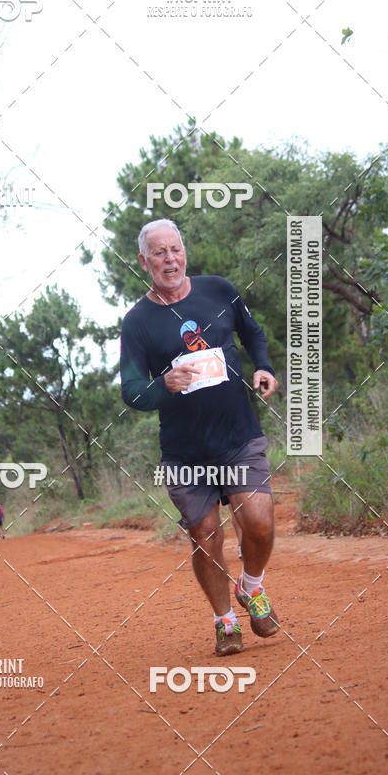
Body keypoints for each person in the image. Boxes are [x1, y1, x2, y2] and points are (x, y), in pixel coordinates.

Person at [120, 219, 280, 656]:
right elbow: (131, 390)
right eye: (159, 253)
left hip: (237, 435)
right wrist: (163, 385)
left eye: (176, 249)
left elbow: (253, 334)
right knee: (205, 534)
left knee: (261, 523)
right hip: (185, 451)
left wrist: (263, 366)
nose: (170, 259)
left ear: (184, 251)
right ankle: (225, 621)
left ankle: (251, 587)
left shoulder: (218, 290)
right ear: (143, 261)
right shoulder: (137, 323)